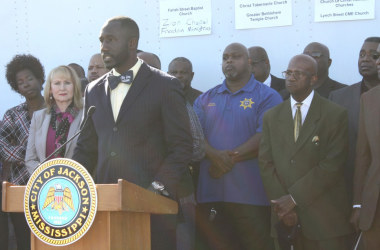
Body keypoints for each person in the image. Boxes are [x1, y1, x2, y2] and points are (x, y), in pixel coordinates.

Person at [72, 16, 192, 250]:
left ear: (131, 43)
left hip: (154, 209)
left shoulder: (166, 85)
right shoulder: (93, 90)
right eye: (101, 40)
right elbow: (85, 149)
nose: (103, 46)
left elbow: (182, 147)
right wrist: (69, 183)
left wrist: (157, 189)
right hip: (106, 208)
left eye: (110, 40)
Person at [259, 54, 353, 250]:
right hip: (283, 218)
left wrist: (294, 199)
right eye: (288, 72)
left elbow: (332, 165)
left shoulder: (335, 114)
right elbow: (266, 164)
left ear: (314, 79)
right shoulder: (271, 116)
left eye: (298, 74)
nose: (291, 78)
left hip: (324, 220)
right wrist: (282, 205)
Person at [194, 43, 282, 250]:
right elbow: (194, 135)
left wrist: (224, 160)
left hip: (252, 196)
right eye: (225, 58)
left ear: (249, 63)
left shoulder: (268, 96)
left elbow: (266, 137)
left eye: (236, 57)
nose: (229, 61)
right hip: (212, 194)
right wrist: (215, 156)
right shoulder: (206, 98)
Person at [0, 54, 46, 250]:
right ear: (16, 87)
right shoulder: (12, 114)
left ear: (40, 79)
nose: (25, 84)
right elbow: (2, 146)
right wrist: (30, 155)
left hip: (49, 188)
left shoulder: (56, 110)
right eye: (20, 82)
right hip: (20, 189)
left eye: (29, 78)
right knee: (23, 241)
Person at [329, 37, 380, 204]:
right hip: (346, 188)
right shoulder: (338, 97)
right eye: (362, 54)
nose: (365, 59)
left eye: (374, 55)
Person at [168, 57, 205, 250]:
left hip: (184, 184)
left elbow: (198, 148)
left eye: (183, 72)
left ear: (191, 75)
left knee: (184, 240)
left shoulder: (197, 100)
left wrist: (175, 159)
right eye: (174, 72)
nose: (178, 76)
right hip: (148, 189)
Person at [25, 65, 83, 173]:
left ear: (74, 86)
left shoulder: (86, 114)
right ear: (50, 89)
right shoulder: (38, 117)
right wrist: (46, 176)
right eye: (57, 83)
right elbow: (30, 159)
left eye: (67, 83)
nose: (62, 88)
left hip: (77, 184)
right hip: (46, 184)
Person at [350, 46, 380, 250]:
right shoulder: (369, 99)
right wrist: (358, 204)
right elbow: (363, 157)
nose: (377, 62)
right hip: (374, 209)